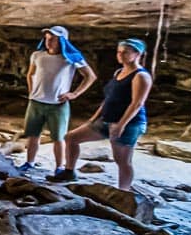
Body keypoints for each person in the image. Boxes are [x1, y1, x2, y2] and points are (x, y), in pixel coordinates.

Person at [49, 38, 151, 190]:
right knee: (71, 138)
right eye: (119, 52)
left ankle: (123, 191)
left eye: (126, 52)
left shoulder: (141, 76)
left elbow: (137, 103)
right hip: (107, 119)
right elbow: (109, 99)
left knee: (122, 160)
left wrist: (121, 125)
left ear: (137, 54)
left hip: (129, 123)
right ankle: (69, 172)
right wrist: (93, 119)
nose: (121, 55)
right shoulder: (119, 72)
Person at [19, 25, 97, 176]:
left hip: (58, 104)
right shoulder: (37, 55)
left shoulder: (71, 58)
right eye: (47, 39)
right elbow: (30, 74)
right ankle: (30, 162)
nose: (49, 42)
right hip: (36, 102)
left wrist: (74, 94)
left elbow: (90, 76)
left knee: (58, 137)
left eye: (53, 39)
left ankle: (59, 167)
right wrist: (31, 92)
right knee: (33, 134)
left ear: (62, 41)